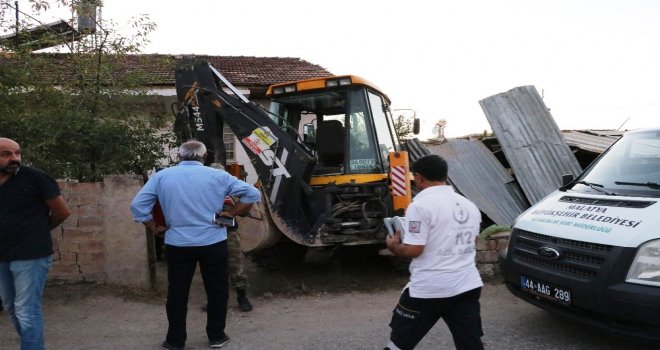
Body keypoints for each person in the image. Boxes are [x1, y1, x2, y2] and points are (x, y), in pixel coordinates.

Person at [130, 140, 260, 350]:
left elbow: (137, 206)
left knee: (177, 292)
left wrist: (153, 227)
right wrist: (230, 213)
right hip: (213, 242)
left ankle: (175, 341)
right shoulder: (219, 175)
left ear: (179, 156)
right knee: (217, 290)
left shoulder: (162, 177)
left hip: (177, 244)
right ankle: (217, 337)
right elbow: (253, 194)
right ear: (205, 156)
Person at [384, 155, 484, 350]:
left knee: (399, 343)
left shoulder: (419, 206)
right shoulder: (469, 205)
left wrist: (394, 246)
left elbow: (414, 249)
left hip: (429, 290)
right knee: (470, 343)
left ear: (419, 178)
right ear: (444, 175)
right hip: (467, 285)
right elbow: (472, 241)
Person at [0, 137, 71, 350]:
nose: (14, 159)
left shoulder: (35, 178)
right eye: (6, 154)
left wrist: (38, 230)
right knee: (11, 307)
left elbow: (62, 212)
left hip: (31, 254)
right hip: (2, 255)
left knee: (26, 310)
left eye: (17, 153)